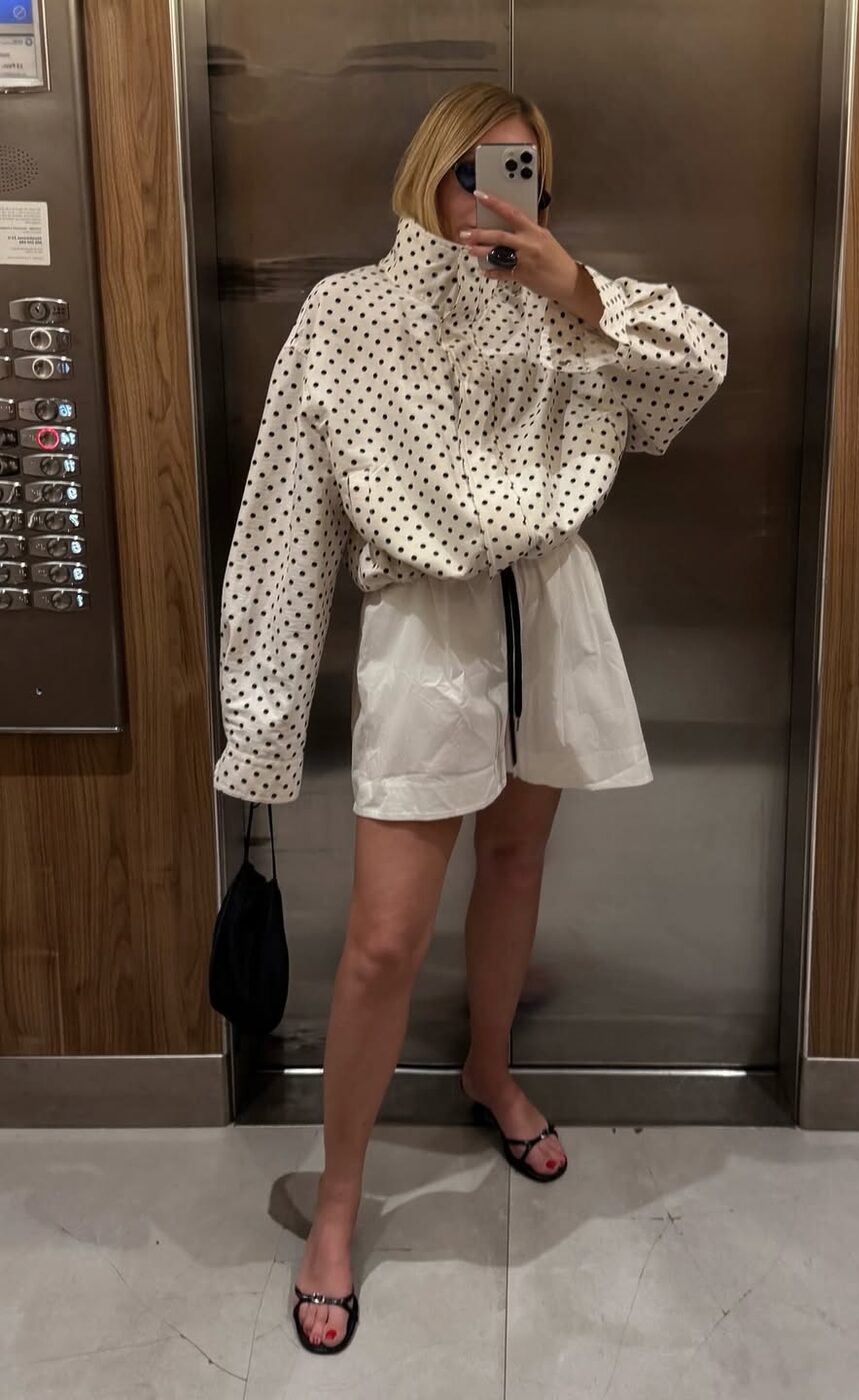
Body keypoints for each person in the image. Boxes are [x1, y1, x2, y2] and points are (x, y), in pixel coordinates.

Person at [212, 80, 728, 1355]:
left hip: (548, 611)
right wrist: (262, 729)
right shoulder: (346, 314)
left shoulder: (566, 309)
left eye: (525, 175)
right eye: (478, 171)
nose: (498, 198)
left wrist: (577, 287)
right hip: (424, 630)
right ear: (429, 171)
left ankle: (489, 1069)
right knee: (384, 939)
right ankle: (339, 1202)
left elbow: (699, 364)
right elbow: (282, 529)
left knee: (515, 863)